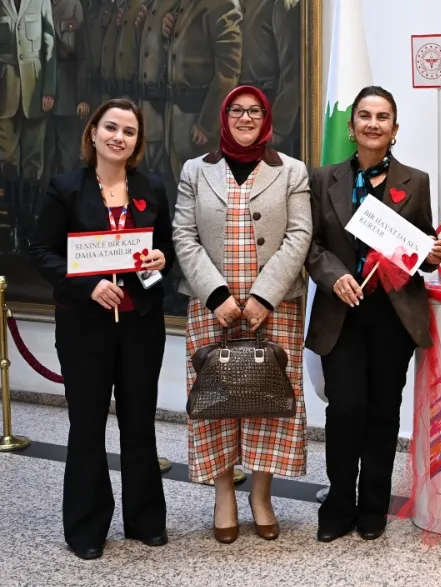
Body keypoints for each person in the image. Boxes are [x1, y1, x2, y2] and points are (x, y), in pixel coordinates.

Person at [29, 98, 174, 560]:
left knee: (139, 424)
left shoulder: (151, 186)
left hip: (140, 326)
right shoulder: (66, 188)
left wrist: (160, 260)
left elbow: (165, 246)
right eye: (111, 127)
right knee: (87, 425)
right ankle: (87, 527)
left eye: (129, 132)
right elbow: (42, 252)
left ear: (137, 143)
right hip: (84, 327)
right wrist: (88, 285)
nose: (119, 137)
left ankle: (145, 520)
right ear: (93, 133)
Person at [306, 86, 441, 542]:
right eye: (364, 116)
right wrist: (333, 277)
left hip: (393, 316)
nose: (372, 123)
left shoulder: (416, 180)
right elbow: (312, 245)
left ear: (394, 128)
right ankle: (338, 504)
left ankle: (372, 509)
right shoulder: (323, 178)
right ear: (351, 128)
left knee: (384, 412)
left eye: (382, 117)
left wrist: (432, 254)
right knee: (345, 409)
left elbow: (422, 248)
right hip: (341, 311)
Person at [172, 85, 312, 543]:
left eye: (255, 111)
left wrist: (262, 297)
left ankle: (262, 495)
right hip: (211, 308)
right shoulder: (196, 170)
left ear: (266, 117)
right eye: (237, 110)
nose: (246, 118)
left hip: (275, 309)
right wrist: (217, 296)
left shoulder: (291, 171)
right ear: (224, 116)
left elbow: (299, 236)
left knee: (268, 402)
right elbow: (184, 236)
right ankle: (224, 495)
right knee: (216, 400)